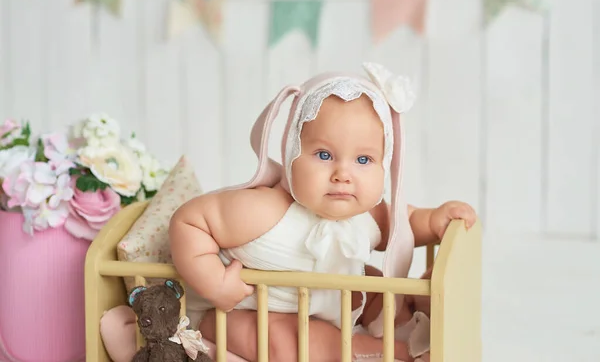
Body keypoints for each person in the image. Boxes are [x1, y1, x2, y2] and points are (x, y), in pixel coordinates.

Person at [101, 62, 477, 362]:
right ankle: (388, 354)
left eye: (364, 159)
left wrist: (434, 220)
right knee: (292, 341)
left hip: (325, 304)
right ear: (291, 151)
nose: (343, 174)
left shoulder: (366, 215)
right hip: (241, 316)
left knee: (372, 282)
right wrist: (215, 282)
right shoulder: (263, 209)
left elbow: (405, 224)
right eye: (324, 155)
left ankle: (412, 309)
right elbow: (188, 220)